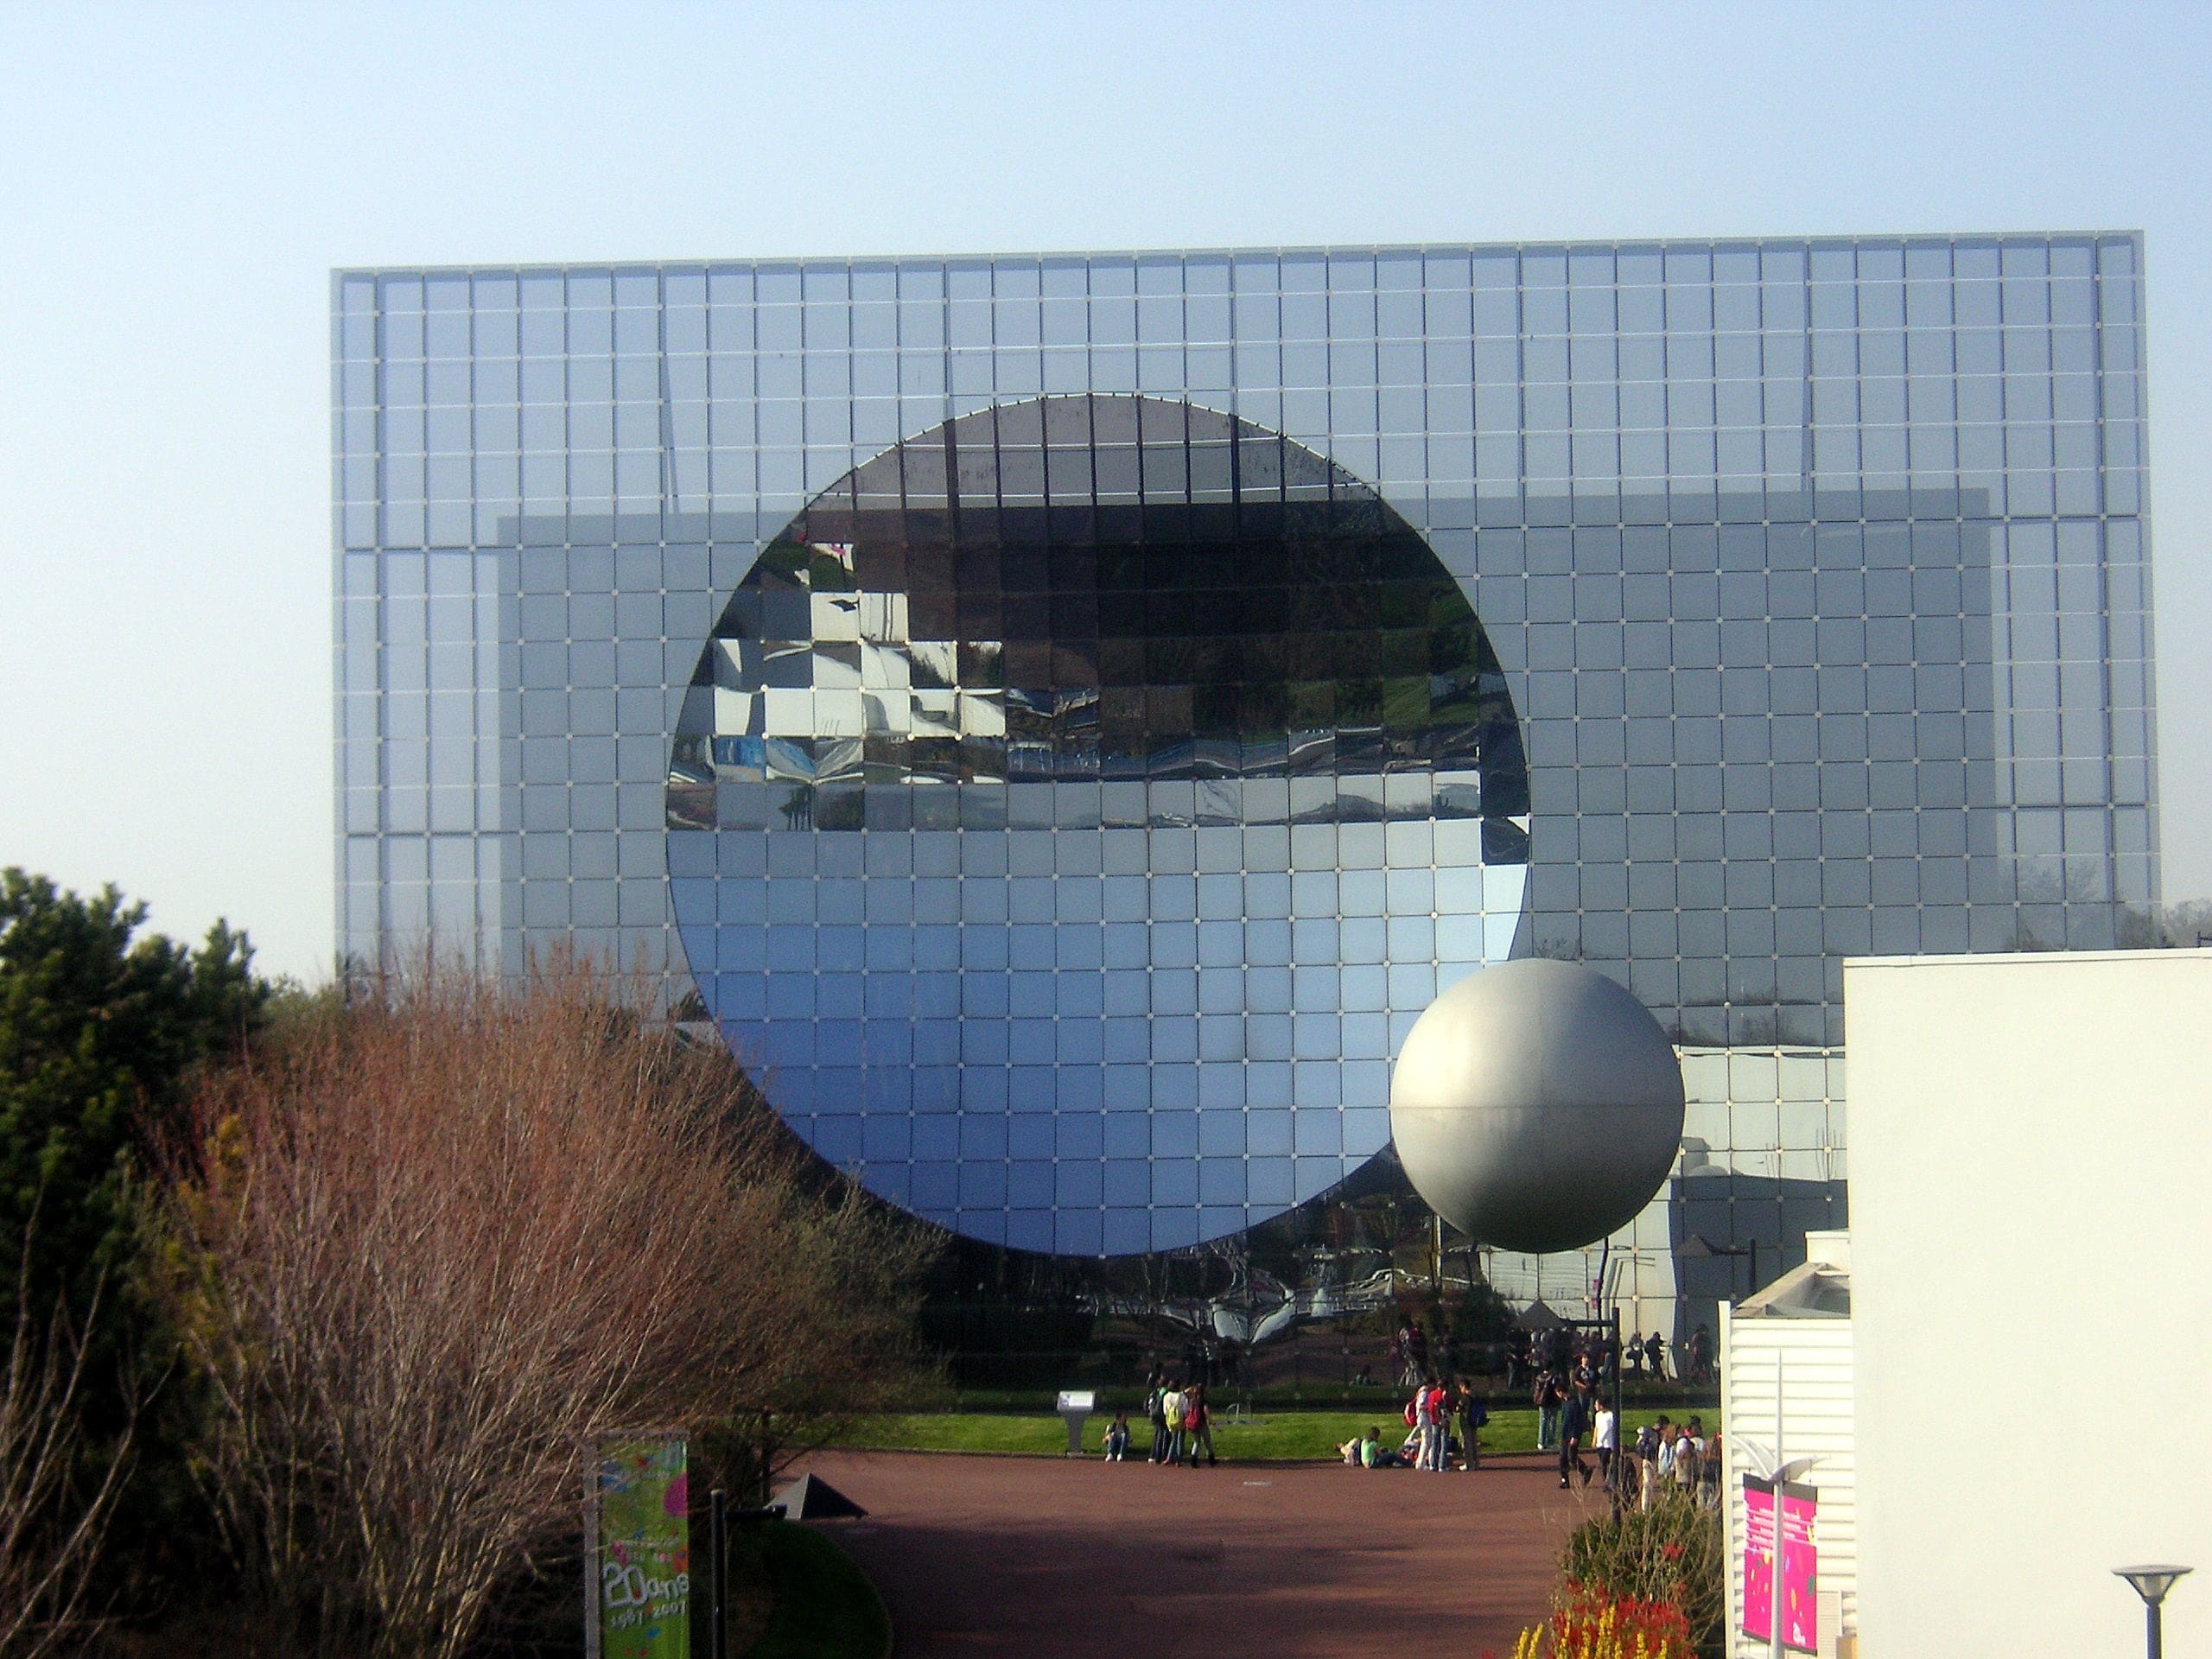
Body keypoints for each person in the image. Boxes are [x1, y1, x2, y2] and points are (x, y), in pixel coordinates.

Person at [1557, 1385, 1591, 1489]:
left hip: (1572, 1435)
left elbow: (1577, 1421)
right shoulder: (1565, 1403)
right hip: (1565, 1435)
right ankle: (1565, 1480)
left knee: (1572, 1457)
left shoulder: (1574, 1403)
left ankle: (1585, 1471)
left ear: (1561, 1392)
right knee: (1563, 1458)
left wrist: (1575, 1436)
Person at [1455, 1380, 1489, 1471]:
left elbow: (1458, 1408)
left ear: (1463, 1386)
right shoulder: (1475, 1396)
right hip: (1474, 1421)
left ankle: (1469, 1464)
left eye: (1461, 1387)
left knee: (1466, 1443)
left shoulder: (1465, 1398)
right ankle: (1476, 1462)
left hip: (1466, 1422)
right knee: (1473, 1442)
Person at [1185, 1383, 1217, 1467]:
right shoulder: (1203, 1401)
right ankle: (1211, 1459)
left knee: (1196, 1442)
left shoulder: (1192, 1401)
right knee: (1207, 1441)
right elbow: (1206, 1411)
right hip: (1201, 1423)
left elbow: (1184, 1393)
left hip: (1193, 1424)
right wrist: (1211, 1421)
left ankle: (1193, 1460)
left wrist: (1189, 1389)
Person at [1593, 1397, 1618, 1493]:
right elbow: (1597, 1427)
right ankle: (1606, 1481)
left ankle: (1609, 1482)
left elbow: (1612, 1429)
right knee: (1603, 1464)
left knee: (1606, 1462)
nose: (1595, 1406)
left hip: (1608, 1444)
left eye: (1596, 1404)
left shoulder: (1611, 1415)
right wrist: (1594, 1439)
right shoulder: (1598, 1415)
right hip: (1600, 1444)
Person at [1161, 1381, 1187, 1467]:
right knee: (1180, 1439)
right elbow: (1185, 1409)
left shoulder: (1166, 1396)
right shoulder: (1182, 1396)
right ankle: (1178, 1459)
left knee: (1173, 1438)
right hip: (1180, 1419)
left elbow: (1165, 1411)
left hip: (1170, 1419)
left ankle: (1169, 1457)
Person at [1535, 1370, 1562, 1452]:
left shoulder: (1539, 1377)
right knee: (1552, 1422)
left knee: (1543, 1422)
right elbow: (1557, 1388)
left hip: (1542, 1401)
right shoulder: (1554, 1377)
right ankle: (1551, 1442)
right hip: (1552, 1402)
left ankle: (1541, 1442)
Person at [1146, 1381, 1170, 1464]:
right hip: (1160, 1415)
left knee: (1157, 1435)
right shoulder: (1164, 1392)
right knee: (1161, 1435)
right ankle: (1159, 1456)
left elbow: (1147, 1404)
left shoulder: (1153, 1393)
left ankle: (1154, 1455)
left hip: (1153, 1415)